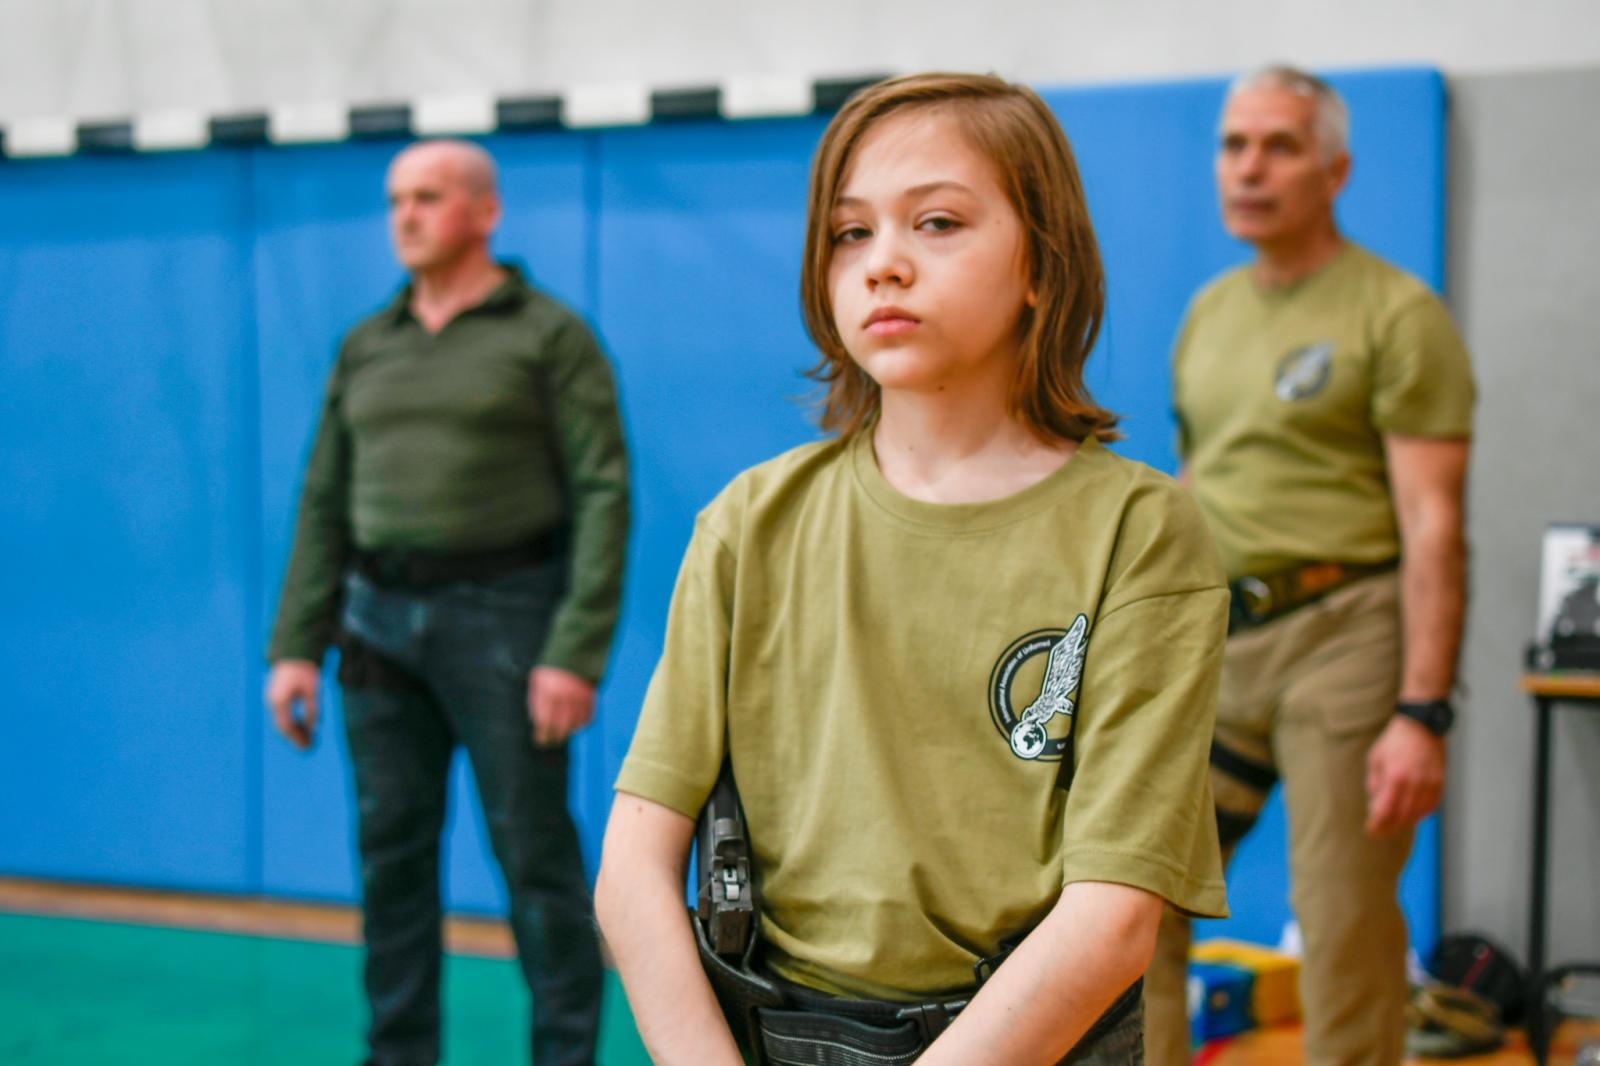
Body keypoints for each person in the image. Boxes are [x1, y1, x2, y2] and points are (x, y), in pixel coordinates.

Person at [595, 73, 1230, 1065]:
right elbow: (634, 865)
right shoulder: (748, 523)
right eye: (851, 233)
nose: (883, 263)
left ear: (1039, 266)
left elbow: (1110, 916)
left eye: (935, 222)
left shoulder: (1140, 531)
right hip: (778, 1027)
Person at [263, 139, 629, 1066]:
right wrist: (296, 646)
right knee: (391, 866)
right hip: (376, 628)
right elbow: (322, 498)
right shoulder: (367, 343)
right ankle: (398, 1056)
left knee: (534, 862)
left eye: (428, 197)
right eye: (396, 199)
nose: (406, 216)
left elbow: (602, 492)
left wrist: (573, 652)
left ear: (484, 212)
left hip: (505, 622)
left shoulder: (547, 334)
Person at [1143, 66, 1475, 1066]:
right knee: (1132, 895)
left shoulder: (1394, 313)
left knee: (1337, 918)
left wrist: (1422, 713)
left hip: (1347, 630)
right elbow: (1199, 477)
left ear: (1335, 170)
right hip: (1219, 641)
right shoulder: (1208, 314)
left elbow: (1432, 523)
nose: (1249, 167)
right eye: (1233, 144)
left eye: (1279, 146)